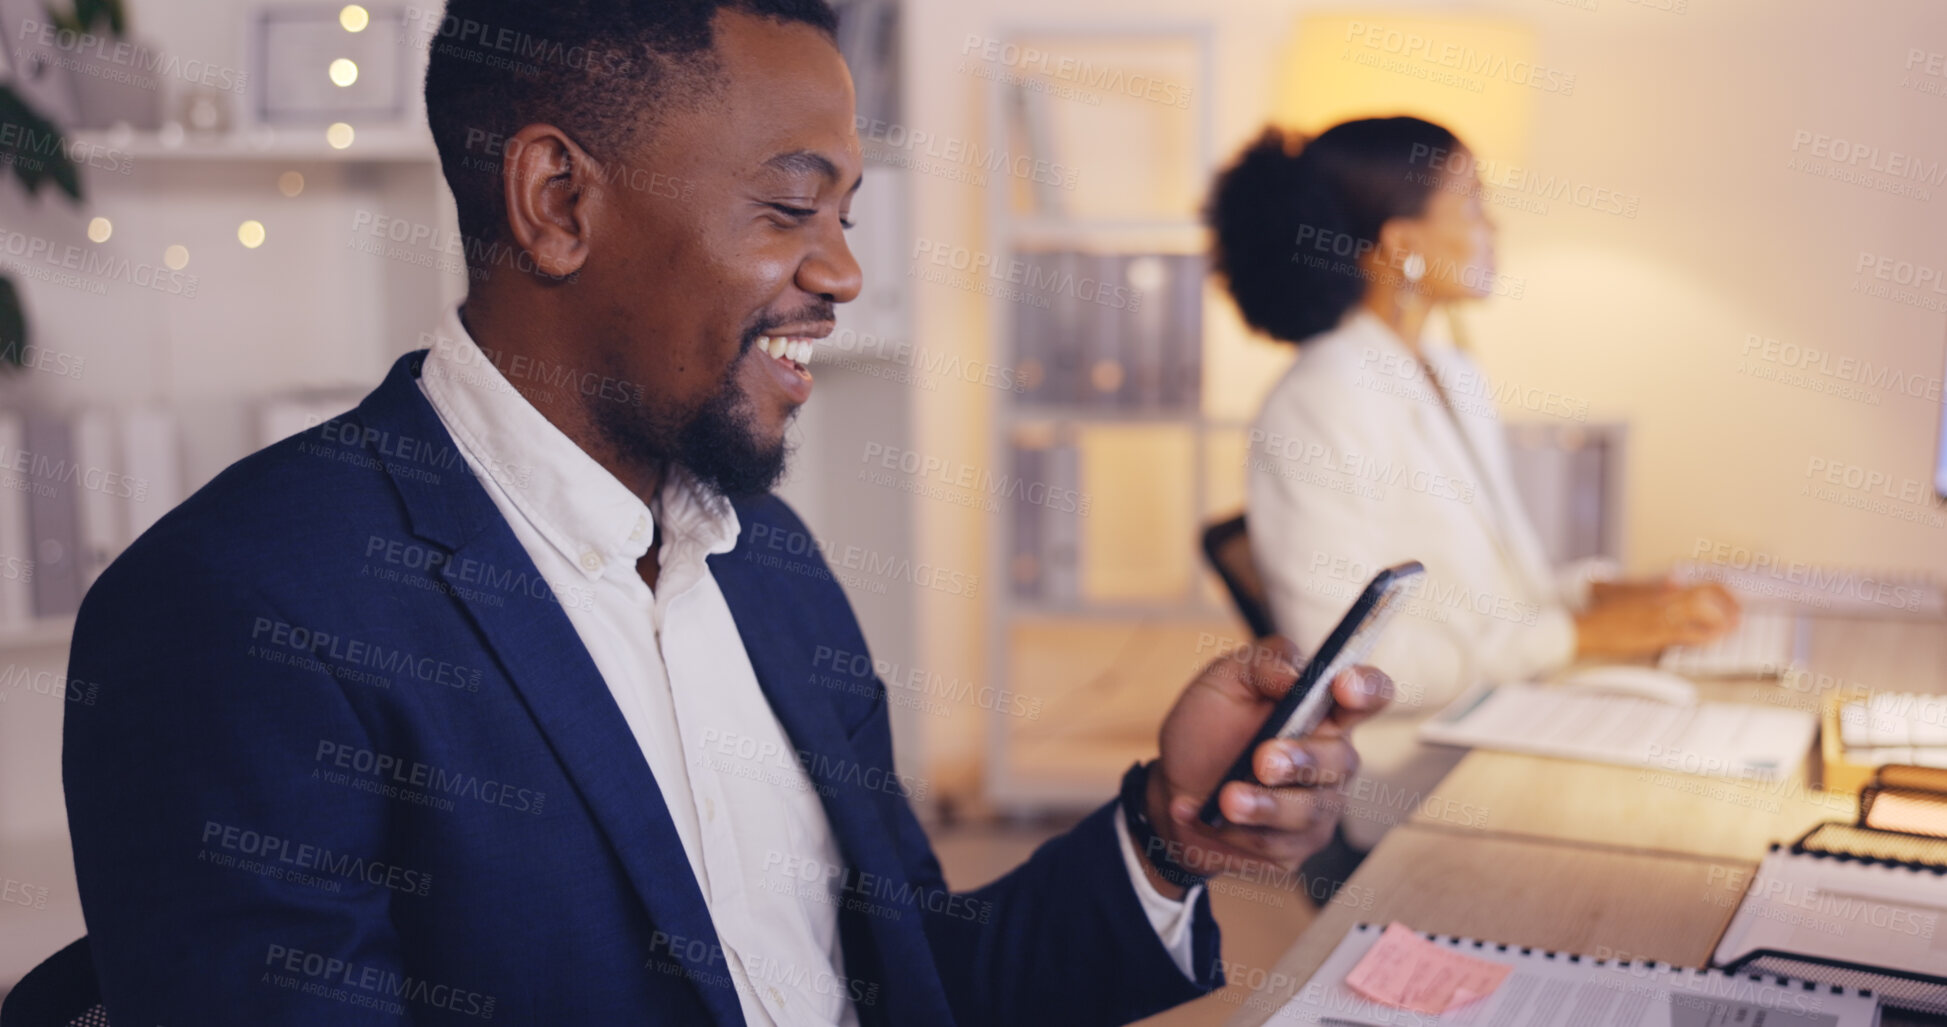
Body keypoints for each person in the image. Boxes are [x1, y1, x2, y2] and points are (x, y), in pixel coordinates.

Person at [59, 4, 1392, 1024]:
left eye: (850, 214)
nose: (845, 270)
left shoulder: (770, 559)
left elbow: (901, 975)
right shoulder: (246, 610)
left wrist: (1168, 830)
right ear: (558, 202)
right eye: (791, 205)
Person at [1205, 117, 1737, 860]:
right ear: (1401, 246)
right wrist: (1570, 636)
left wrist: (1597, 597)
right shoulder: (1315, 403)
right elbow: (1348, 667)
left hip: (1508, 714)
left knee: (1721, 777)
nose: (1493, 227)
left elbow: (1488, 583)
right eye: (1473, 203)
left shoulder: (1449, 372)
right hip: (1416, 771)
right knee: (1690, 833)